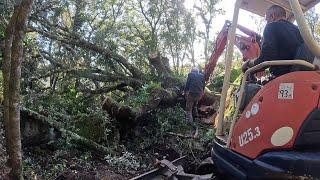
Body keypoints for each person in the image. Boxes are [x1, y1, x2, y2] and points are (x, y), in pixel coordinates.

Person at [242, 5, 313, 76]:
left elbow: (266, 59)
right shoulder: (300, 30)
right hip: (307, 73)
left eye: (267, 20)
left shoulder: (271, 26)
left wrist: (249, 63)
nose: (267, 23)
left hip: (286, 76)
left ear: (272, 16)